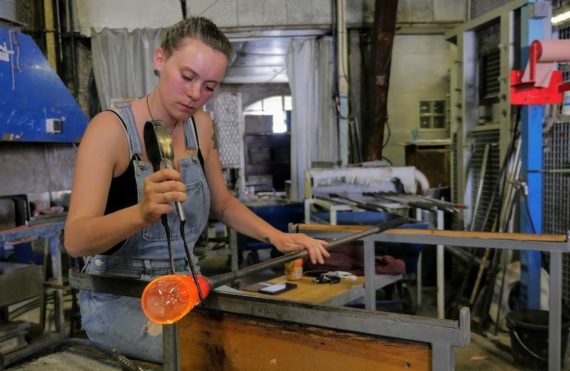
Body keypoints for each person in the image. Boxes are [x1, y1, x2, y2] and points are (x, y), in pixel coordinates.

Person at [64, 16, 329, 363]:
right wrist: (141, 213)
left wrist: (276, 238)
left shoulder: (200, 126)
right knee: (213, 353)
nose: (195, 95)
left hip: (186, 286)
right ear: (160, 60)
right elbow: (76, 239)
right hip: (120, 295)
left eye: (209, 86)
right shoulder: (109, 130)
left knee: (266, 338)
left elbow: (223, 203)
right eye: (187, 77)